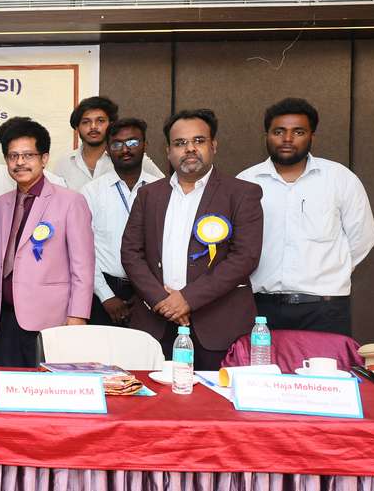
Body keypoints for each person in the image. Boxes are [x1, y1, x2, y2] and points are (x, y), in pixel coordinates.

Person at [120, 109, 263, 370]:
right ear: (168, 151)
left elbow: (245, 257)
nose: (190, 149)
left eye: (198, 140)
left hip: (218, 326)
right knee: (151, 395)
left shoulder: (242, 193)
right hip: (156, 325)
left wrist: (187, 298)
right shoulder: (148, 195)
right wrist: (161, 301)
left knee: (216, 396)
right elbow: (130, 253)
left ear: (213, 146)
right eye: (180, 143)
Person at [237, 98, 374, 335]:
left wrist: (331, 272)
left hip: (325, 309)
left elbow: (363, 238)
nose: (287, 138)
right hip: (260, 308)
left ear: (312, 137)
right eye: (279, 131)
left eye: (298, 132)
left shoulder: (339, 179)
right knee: (260, 362)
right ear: (266, 136)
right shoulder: (245, 182)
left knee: (327, 362)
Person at [0, 118, 94, 366]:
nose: (20, 162)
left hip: (51, 320)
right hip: (5, 320)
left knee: (47, 386)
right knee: (8, 384)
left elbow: (83, 266)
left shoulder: (70, 202)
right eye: (13, 156)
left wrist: (77, 315)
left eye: (28, 155)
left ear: (44, 158)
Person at [80, 118, 164, 327]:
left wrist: (149, 292)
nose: (125, 149)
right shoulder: (91, 192)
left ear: (145, 145)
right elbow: (83, 250)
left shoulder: (162, 189)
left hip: (152, 290)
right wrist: (106, 295)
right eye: (117, 144)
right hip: (105, 291)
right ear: (108, 150)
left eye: (133, 142)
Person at [52, 96, 163, 191]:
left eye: (100, 121)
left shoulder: (131, 158)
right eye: (86, 122)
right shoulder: (63, 164)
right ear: (77, 128)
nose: (93, 127)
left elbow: (164, 188)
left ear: (111, 124)